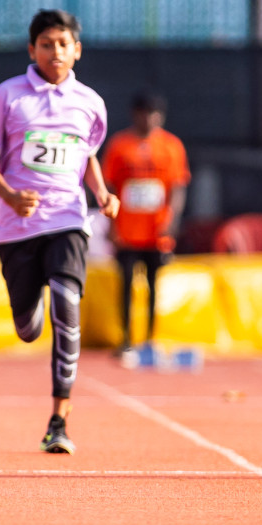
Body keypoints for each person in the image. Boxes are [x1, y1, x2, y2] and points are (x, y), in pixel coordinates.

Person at [0, 9, 118, 455]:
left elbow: (86, 155)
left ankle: (60, 419)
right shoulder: (8, 96)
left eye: (64, 44)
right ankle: (27, 314)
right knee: (29, 328)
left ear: (78, 50)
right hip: (17, 227)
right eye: (47, 44)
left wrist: (103, 193)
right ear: (32, 50)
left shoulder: (90, 102)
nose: (56, 52)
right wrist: (10, 197)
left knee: (67, 302)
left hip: (69, 218)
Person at [101, 91, 188, 357]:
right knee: (125, 285)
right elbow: (108, 184)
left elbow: (178, 187)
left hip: (156, 231)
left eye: (155, 114)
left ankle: (150, 339)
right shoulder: (119, 145)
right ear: (135, 114)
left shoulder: (172, 146)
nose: (150, 119)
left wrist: (172, 220)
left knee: (154, 285)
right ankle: (126, 338)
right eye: (145, 113)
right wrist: (112, 224)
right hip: (126, 231)